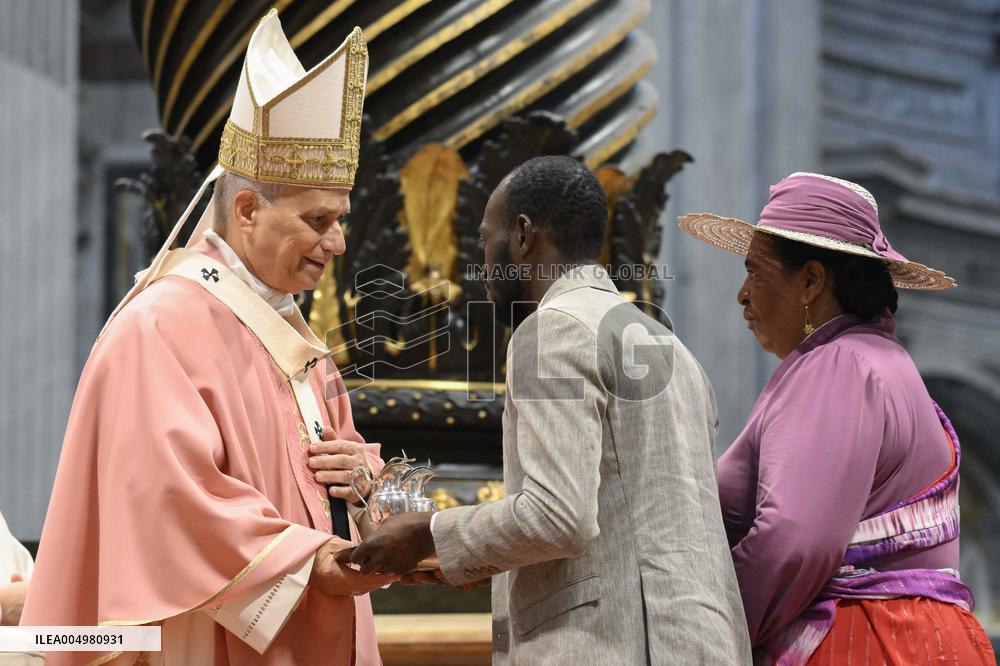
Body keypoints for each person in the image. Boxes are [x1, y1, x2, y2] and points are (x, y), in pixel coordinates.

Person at [21, 11, 396, 665]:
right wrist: (315, 561)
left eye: (340, 219)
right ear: (247, 210)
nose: (337, 243)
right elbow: (170, 503)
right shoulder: (158, 329)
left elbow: (341, 470)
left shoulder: (293, 337)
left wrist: (367, 487)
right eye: (318, 220)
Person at [350, 155, 752, 664]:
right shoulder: (670, 345)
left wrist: (427, 533)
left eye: (485, 240)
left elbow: (559, 517)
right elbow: (630, 522)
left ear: (522, 235)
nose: (482, 268)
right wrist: (467, 558)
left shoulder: (554, 328)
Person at [678, 172, 996, 665]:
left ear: (810, 280)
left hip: (864, 642)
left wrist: (697, 636)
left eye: (755, 273)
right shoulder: (880, 361)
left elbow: (792, 541)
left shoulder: (839, 365)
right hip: (913, 639)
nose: (742, 294)